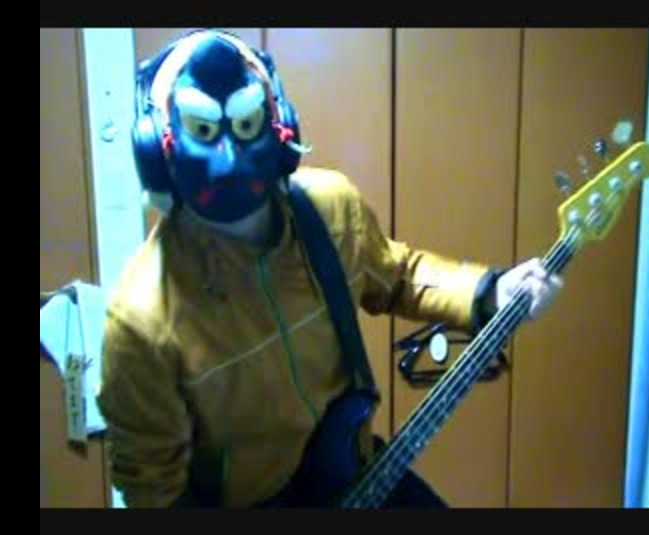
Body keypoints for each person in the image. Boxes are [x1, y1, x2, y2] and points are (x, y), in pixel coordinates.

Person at [96, 28, 563, 509]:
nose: (229, 154)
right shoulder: (140, 321)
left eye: (247, 122)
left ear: (278, 124)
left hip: (350, 471)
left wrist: (491, 291)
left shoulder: (330, 209)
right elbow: (153, 490)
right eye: (203, 130)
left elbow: (398, 275)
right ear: (156, 148)